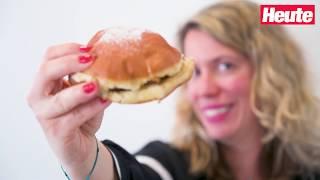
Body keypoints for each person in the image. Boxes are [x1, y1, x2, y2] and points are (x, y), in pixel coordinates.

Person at [27, 1, 320, 180]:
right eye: (196, 70)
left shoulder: (311, 166)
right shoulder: (171, 164)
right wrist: (81, 158)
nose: (203, 89)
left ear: (273, 72)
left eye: (225, 65)